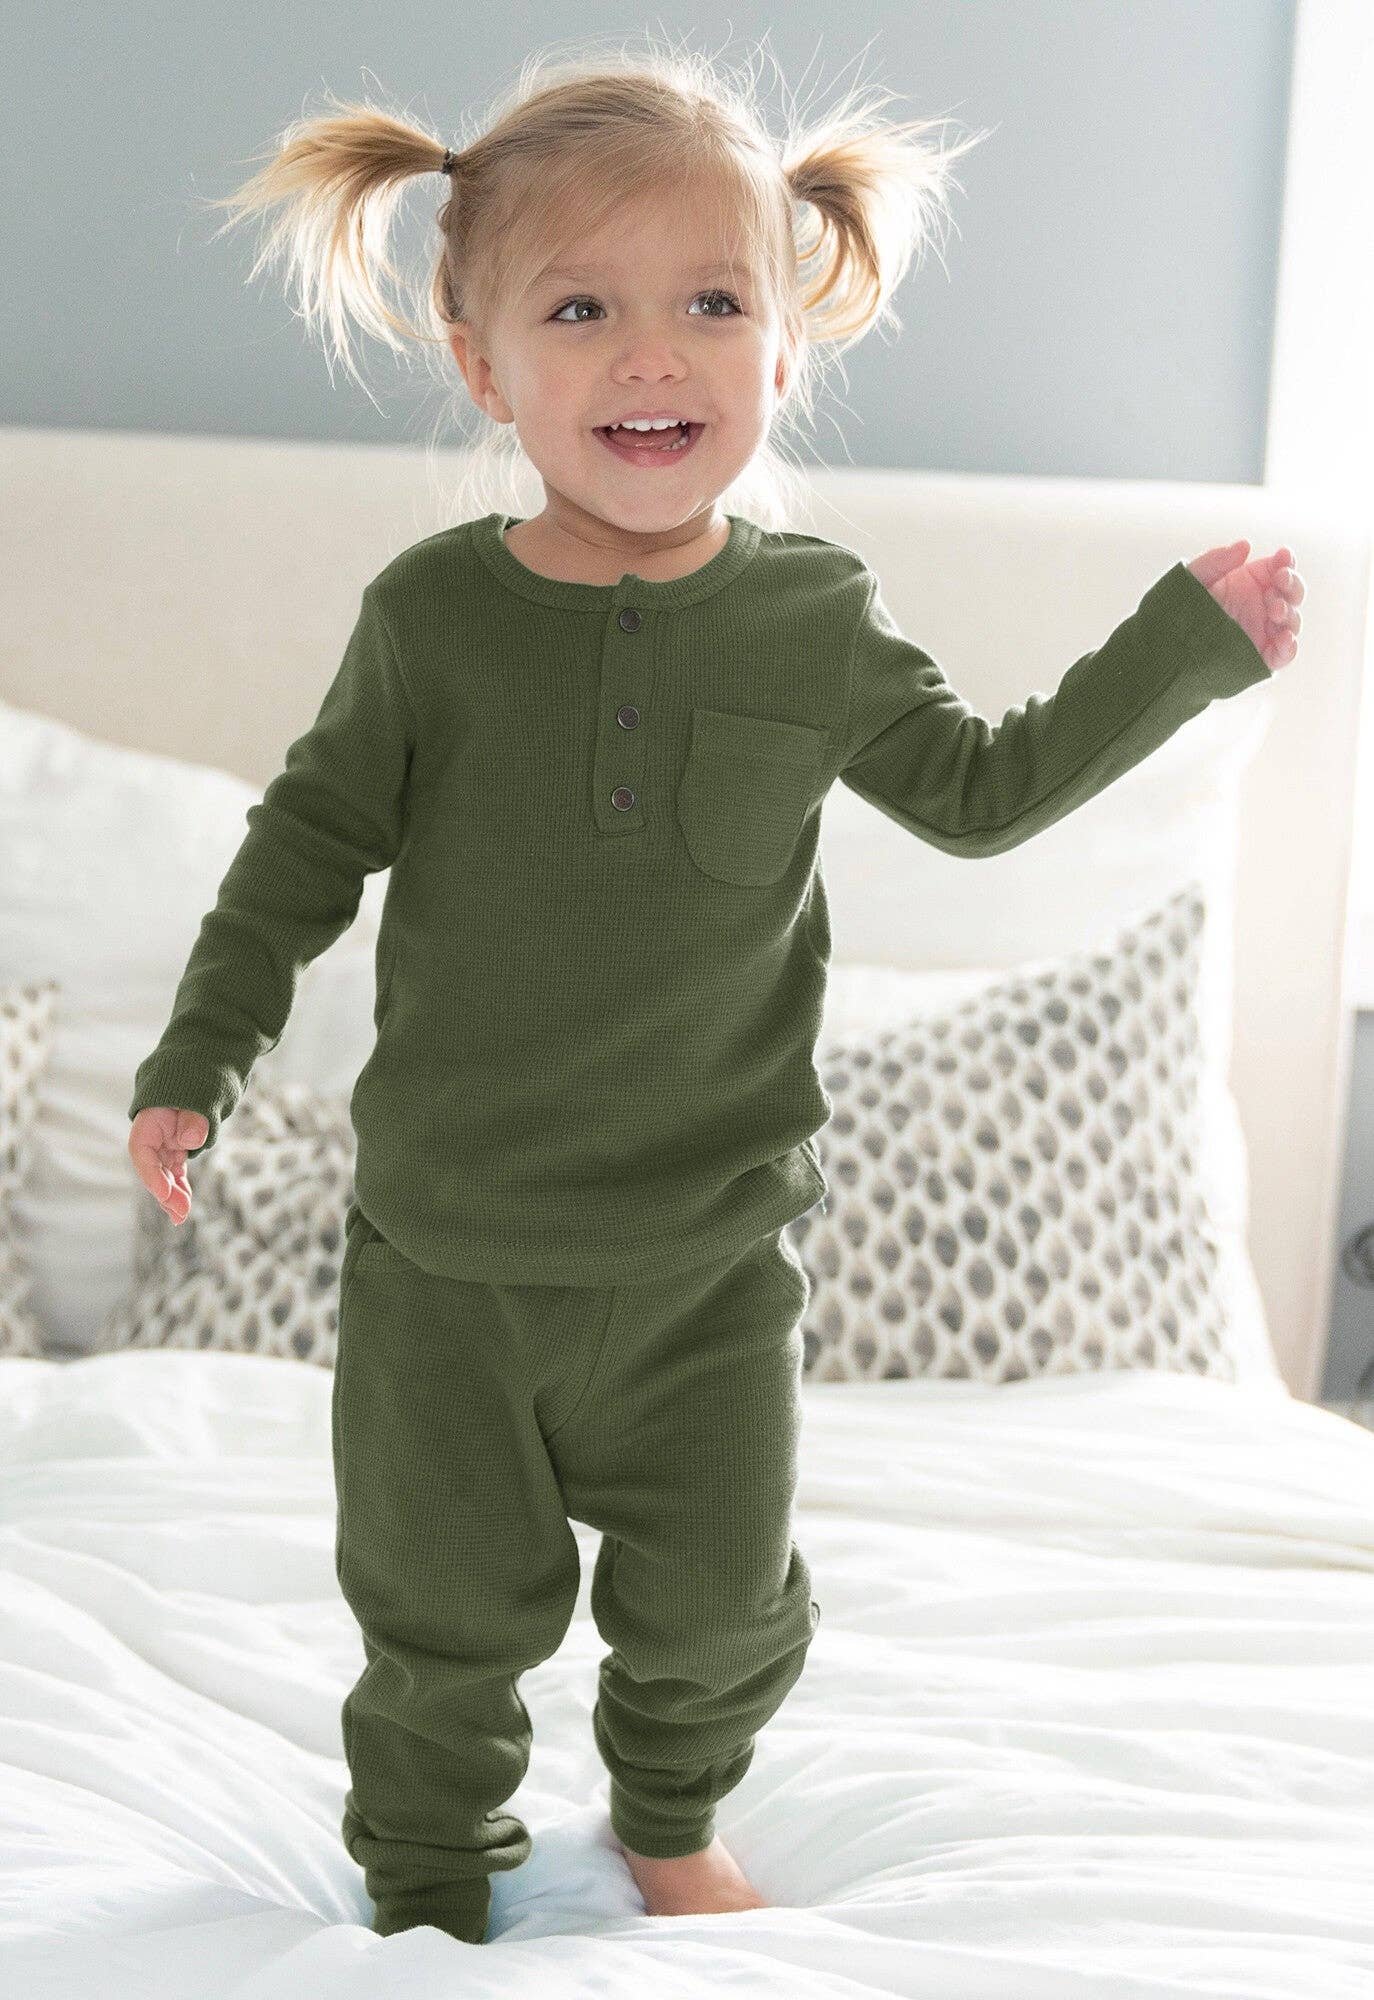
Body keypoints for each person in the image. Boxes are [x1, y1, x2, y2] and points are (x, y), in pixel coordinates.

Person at [126, 39, 1304, 1948]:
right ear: (481, 357)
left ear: (783, 348)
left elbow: (982, 791)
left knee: (717, 1610)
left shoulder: (811, 616)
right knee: (439, 1620)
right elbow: (299, 853)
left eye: (711, 303)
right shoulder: (430, 623)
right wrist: (201, 1059)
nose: (649, 356)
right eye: (580, 308)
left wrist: (1177, 651)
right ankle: (426, 1888)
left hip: (707, 1263)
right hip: (450, 1261)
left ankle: (669, 1821)